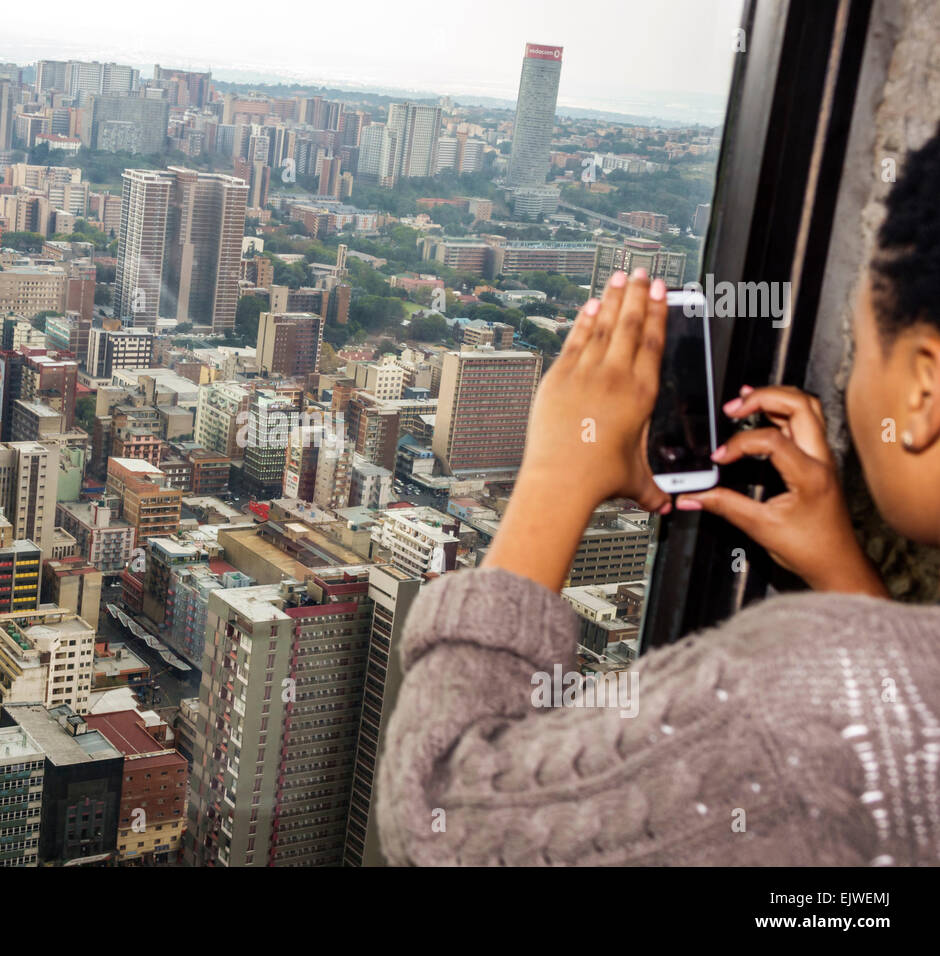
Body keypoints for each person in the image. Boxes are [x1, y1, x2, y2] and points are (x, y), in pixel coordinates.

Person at [375, 128, 940, 867]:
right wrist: (846, 576)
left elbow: (434, 820)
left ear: (924, 389)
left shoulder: (785, 696)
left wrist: (556, 475)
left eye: (864, 350)